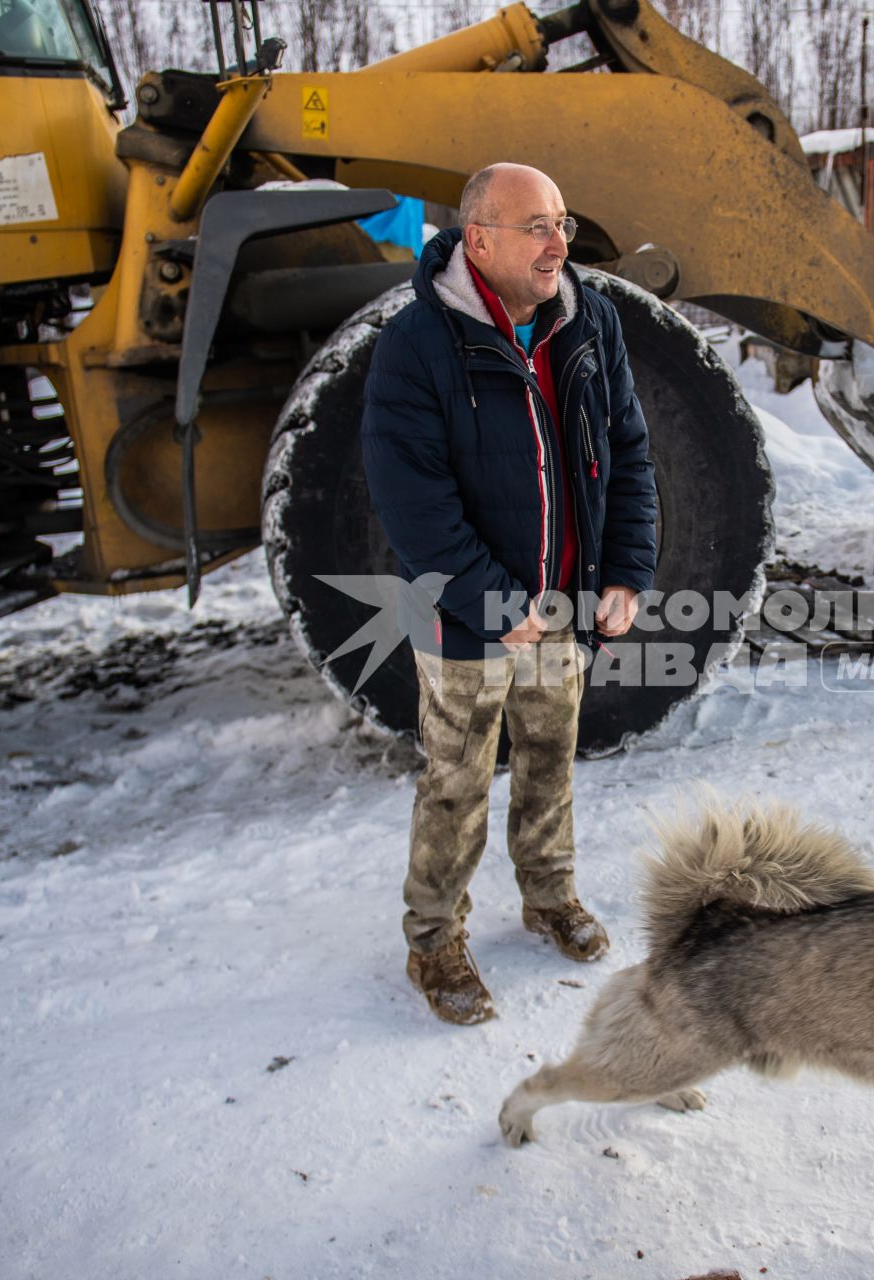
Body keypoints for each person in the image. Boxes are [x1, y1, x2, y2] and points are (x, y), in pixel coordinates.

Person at [361, 163, 658, 1025]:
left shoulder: (588, 319)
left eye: (561, 221)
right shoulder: (417, 343)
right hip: (463, 612)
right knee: (455, 779)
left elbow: (627, 453)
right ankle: (434, 940)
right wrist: (496, 600)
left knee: (548, 759)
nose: (557, 241)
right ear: (477, 239)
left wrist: (624, 572)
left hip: (562, 601)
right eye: (535, 225)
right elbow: (411, 501)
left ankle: (549, 894)